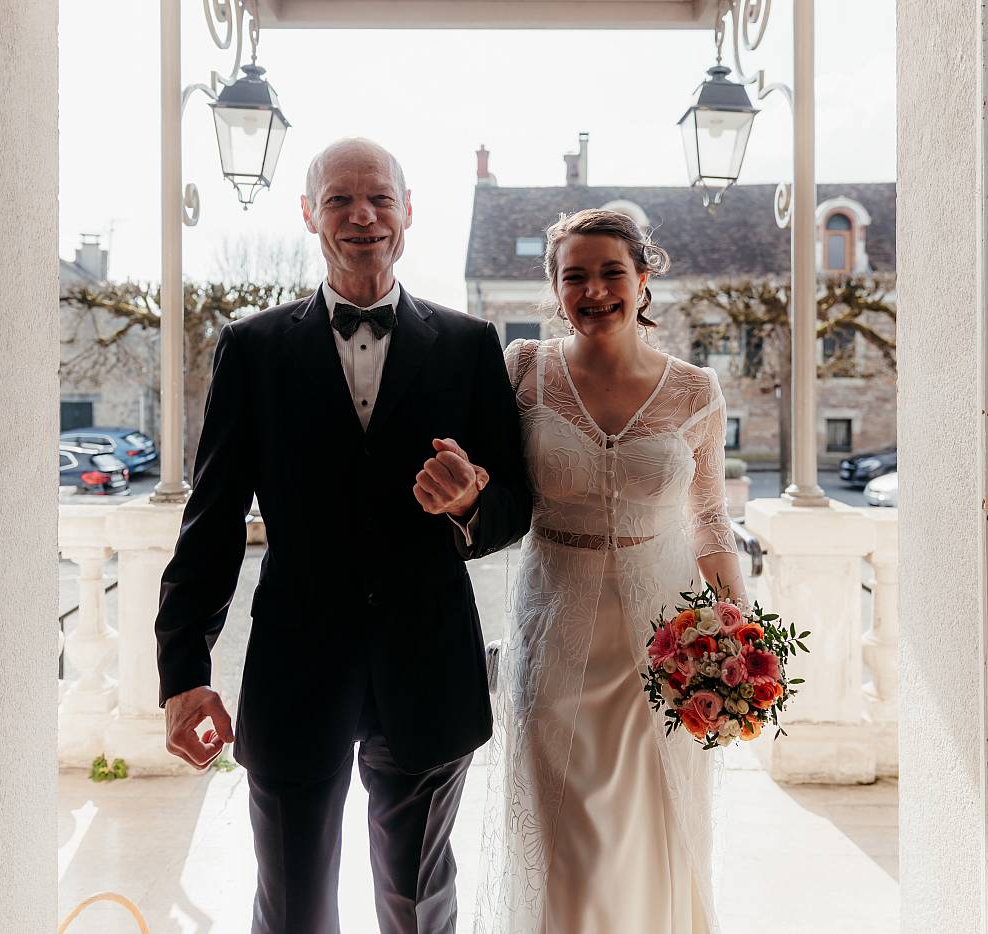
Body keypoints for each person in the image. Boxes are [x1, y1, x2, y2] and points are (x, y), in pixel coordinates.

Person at [154, 138, 533, 934]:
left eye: (379, 199)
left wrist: (470, 502)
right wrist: (183, 669)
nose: (361, 215)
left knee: (417, 902)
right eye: (338, 199)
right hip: (296, 669)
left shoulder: (470, 346)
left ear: (406, 216)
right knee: (292, 906)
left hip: (428, 668)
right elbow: (213, 520)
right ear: (308, 214)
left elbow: (515, 509)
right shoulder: (251, 348)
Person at [475, 209, 746, 934]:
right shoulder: (523, 371)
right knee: (572, 842)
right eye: (575, 277)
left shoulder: (695, 391)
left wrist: (743, 640)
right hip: (554, 633)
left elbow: (711, 520)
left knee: (649, 831)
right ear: (555, 290)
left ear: (644, 280)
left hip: (663, 646)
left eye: (611, 273)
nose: (594, 291)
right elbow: (489, 489)